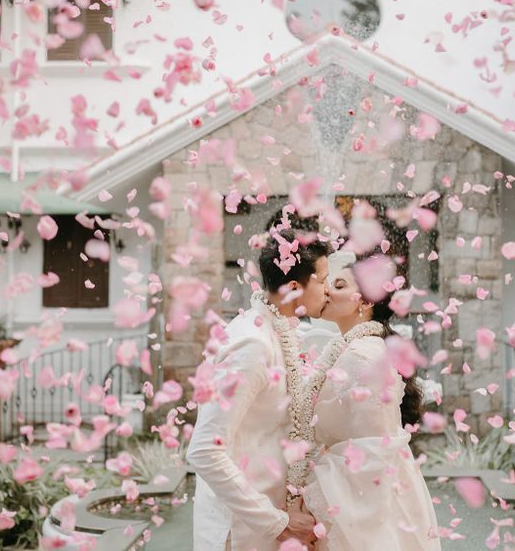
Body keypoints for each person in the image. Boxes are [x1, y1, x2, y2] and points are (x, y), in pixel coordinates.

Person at [187, 228, 331, 551]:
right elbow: (204, 451)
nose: (327, 291)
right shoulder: (251, 344)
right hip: (240, 534)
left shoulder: (280, 331)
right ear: (294, 288)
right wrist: (277, 523)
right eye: (322, 280)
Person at [295, 254, 441, 551]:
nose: (326, 291)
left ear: (364, 302)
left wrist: (308, 494)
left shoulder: (363, 357)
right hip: (362, 500)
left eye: (337, 285)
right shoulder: (355, 349)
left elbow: (373, 451)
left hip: (367, 508)